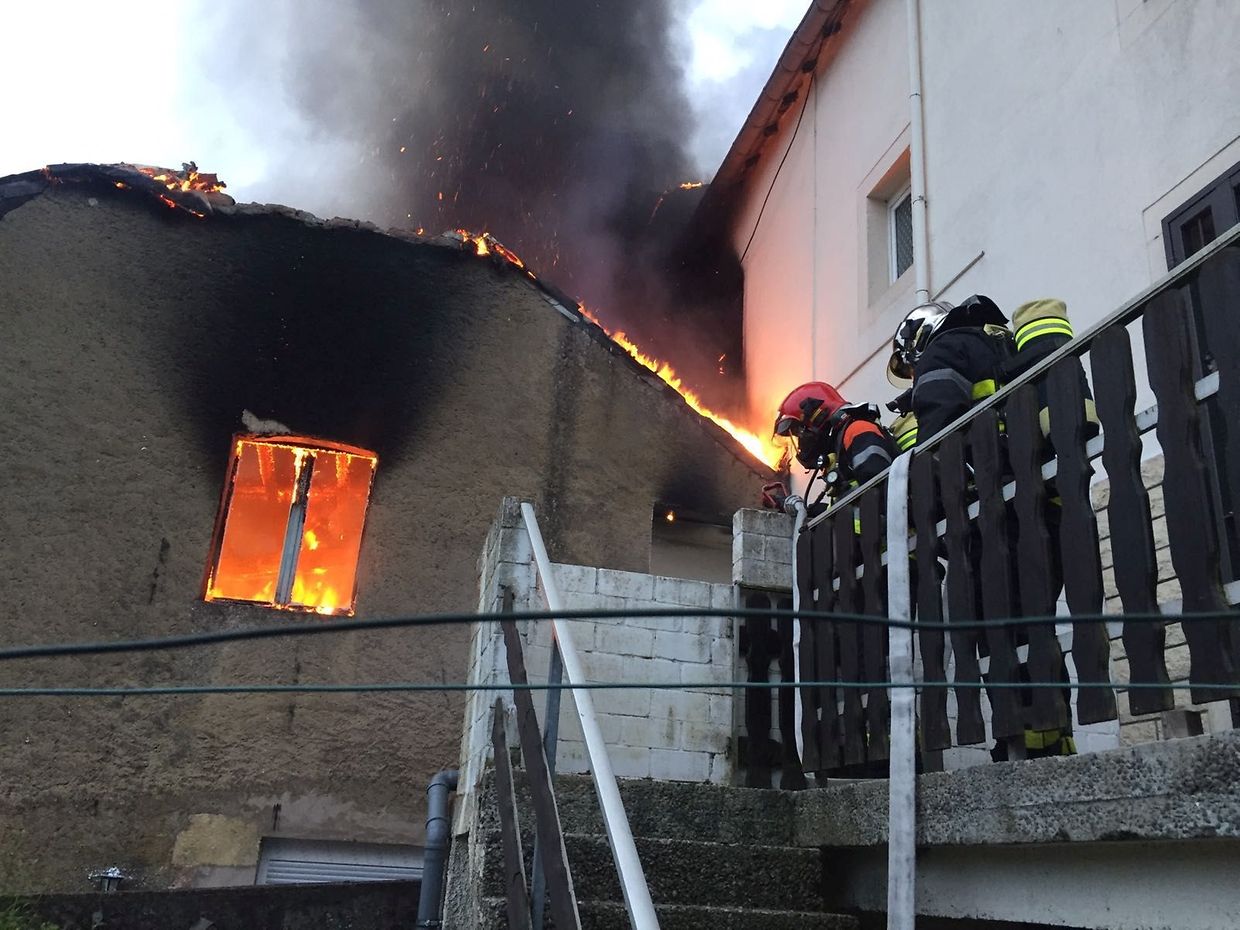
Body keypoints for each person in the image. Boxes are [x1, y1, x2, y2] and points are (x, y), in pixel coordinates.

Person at [886, 296, 1076, 760]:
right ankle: (1053, 739)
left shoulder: (945, 351)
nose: (914, 375)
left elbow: (942, 437)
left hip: (996, 522)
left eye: (911, 366)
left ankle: (1019, 741)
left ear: (918, 345)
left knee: (999, 631)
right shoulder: (1003, 343)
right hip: (1046, 507)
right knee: (1037, 626)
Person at [773, 381, 897, 512]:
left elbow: (880, 492)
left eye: (799, 431)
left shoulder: (857, 430)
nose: (800, 441)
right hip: (867, 531)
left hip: (883, 530)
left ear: (817, 417)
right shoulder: (838, 451)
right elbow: (847, 507)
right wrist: (806, 512)